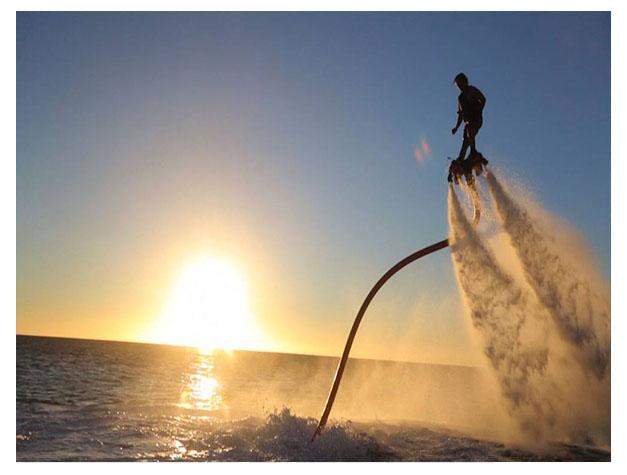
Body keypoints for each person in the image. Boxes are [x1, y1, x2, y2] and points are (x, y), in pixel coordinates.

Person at [451, 73, 486, 161]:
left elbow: (483, 99)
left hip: (476, 119)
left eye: (460, 84)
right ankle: (460, 164)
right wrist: (456, 128)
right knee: (464, 146)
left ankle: (473, 152)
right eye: (457, 86)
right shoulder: (460, 98)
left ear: (465, 81)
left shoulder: (472, 90)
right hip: (468, 122)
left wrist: (479, 110)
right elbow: (460, 115)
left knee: (470, 130)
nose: (459, 87)